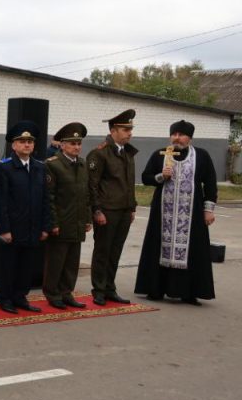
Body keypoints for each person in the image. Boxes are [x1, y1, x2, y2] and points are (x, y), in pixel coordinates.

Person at [134, 120, 217, 304]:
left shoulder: (201, 156)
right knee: (157, 247)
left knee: (193, 250)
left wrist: (208, 210)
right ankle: (155, 289)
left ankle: (189, 292)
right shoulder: (160, 155)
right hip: (163, 213)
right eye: (174, 134)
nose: (176, 138)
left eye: (181, 134)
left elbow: (210, 183)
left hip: (192, 213)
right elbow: (146, 178)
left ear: (189, 137)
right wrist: (161, 176)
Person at [0, 121, 50, 314]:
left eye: (30, 141)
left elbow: (45, 199)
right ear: (14, 145)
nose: (27, 145)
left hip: (32, 226)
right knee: (8, 266)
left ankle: (20, 296)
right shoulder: (4, 168)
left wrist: (45, 226)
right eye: (22, 141)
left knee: (27, 266)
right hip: (13, 226)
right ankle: (4, 298)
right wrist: (5, 229)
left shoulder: (40, 167)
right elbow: (1, 201)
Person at [86, 109, 138, 305]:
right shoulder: (99, 153)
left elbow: (129, 182)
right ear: (114, 130)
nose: (129, 133)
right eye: (126, 129)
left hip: (123, 210)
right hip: (107, 211)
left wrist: (131, 207)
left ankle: (110, 288)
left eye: (130, 129)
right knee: (103, 251)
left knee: (115, 251)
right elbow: (92, 185)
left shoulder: (127, 153)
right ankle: (98, 289)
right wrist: (96, 210)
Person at [43, 122, 91, 309]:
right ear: (62, 145)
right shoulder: (53, 165)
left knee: (72, 262)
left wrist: (87, 219)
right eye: (72, 143)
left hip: (77, 221)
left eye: (79, 143)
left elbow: (85, 194)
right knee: (56, 261)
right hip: (61, 222)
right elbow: (50, 197)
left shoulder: (82, 163)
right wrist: (53, 222)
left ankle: (66, 292)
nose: (77, 147)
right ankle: (52, 293)